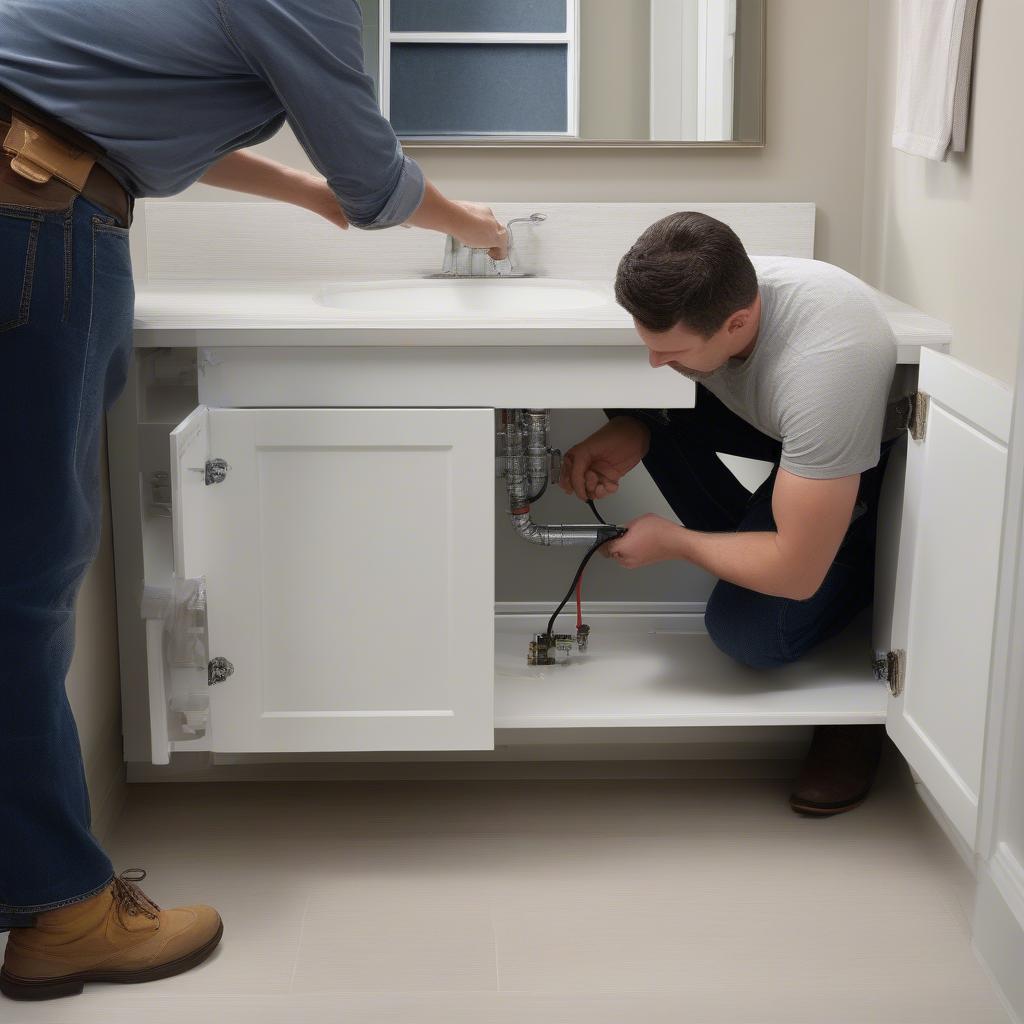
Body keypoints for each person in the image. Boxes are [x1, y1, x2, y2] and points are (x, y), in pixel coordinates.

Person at [0, 0, 505, 1001]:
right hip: (33, 214)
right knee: (22, 585)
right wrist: (472, 224)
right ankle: (63, 909)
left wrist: (305, 194)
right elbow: (377, 185)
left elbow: (115, 121)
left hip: (34, 186)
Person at [560, 212, 899, 817]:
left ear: (738, 322)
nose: (655, 362)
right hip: (781, 426)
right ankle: (767, 548)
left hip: (860, 457)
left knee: (748, 632)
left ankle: (859, 624)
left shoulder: (826, 370)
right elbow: (665, 374)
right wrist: (636, 428)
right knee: (637, 396)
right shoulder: (712, 292)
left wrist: (676, 541)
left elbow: (794, 575)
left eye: (671, 350)